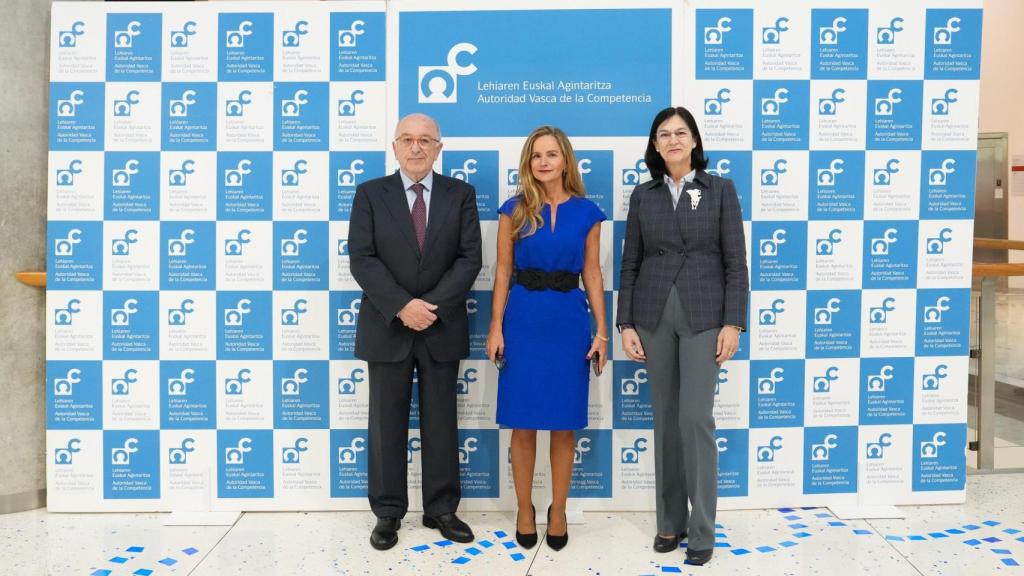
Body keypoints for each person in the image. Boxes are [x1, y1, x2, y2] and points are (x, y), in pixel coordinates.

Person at [617, 106, 748, 566]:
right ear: (654, 145)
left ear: (694, 141)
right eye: (663, 134)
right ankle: (668, 522)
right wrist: (625, 323)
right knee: (665, 421)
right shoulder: (643, 195)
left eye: (680, 132)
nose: (672, 140)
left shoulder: (720, 190)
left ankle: (702, 529)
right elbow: (630, 263)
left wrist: (733, 322)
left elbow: (736, 262)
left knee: (695, 419)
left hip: (703, 314)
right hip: (653, 315)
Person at [348, 113, 482, 551]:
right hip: (388, 324)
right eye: (408, 139)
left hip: (440, 326)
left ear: (439, 148)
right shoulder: (370, 194)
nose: (417, 147)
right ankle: (388, 513)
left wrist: (431, 308)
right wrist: (403, 306)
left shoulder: (460, 194)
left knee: (441, 420)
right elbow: (362, 258)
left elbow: (469, 259)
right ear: (395, 147)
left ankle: (441, 509)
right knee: (386, 423)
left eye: (426, 140)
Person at [485, 126, 608, 551]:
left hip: (569, 324)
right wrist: (496, 326)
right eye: (536, 155)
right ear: (528, 162)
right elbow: (502, 272)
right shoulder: (513, 210)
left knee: (563, 426)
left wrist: (602, 333)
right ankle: (524, 508)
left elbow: (592, 273)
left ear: (565, 160)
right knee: (521, 425)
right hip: (523, 320)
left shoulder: (588, 213)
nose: (543, 161)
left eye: (552, 154)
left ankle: (558, 509)